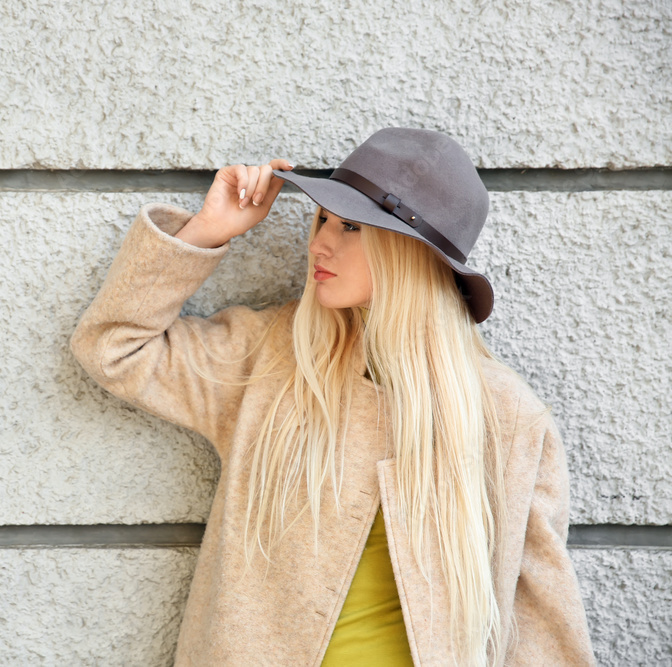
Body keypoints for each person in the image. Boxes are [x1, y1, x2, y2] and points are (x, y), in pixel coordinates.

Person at [70, 128, 595, 666]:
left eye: (350, 226)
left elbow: (539, 626)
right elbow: (114, 346)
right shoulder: (270, 361)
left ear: (412, 254)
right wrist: (207, 232)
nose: (320, 241)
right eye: (323, 218)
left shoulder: (507, 418)